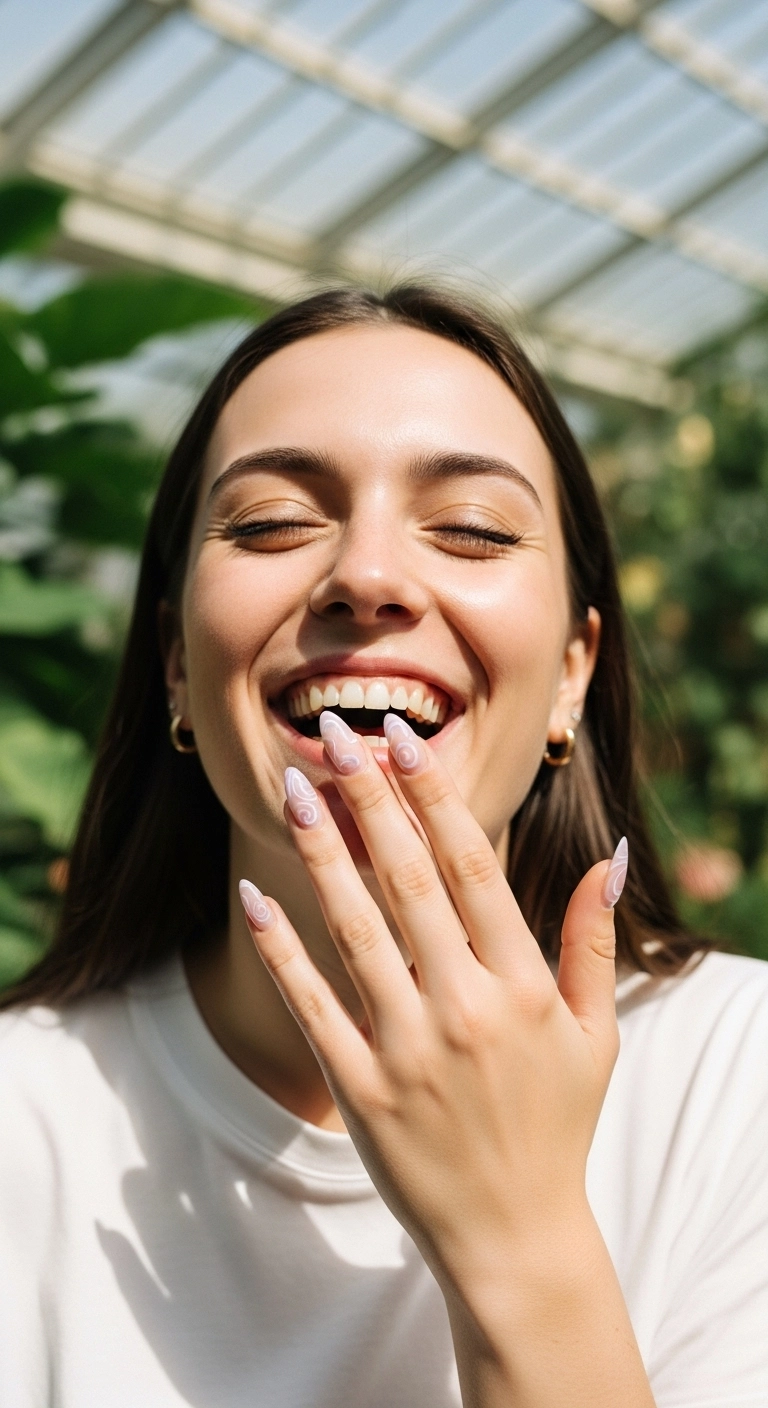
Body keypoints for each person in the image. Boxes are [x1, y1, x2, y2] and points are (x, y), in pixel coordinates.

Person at [0, 286, 765, 1408]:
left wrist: (522, 1242)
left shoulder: (738, 1077)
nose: (366, 576)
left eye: (472, 528)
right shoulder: (26, 1116)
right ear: (174, 661)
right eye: (269, 523)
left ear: (572, 671)